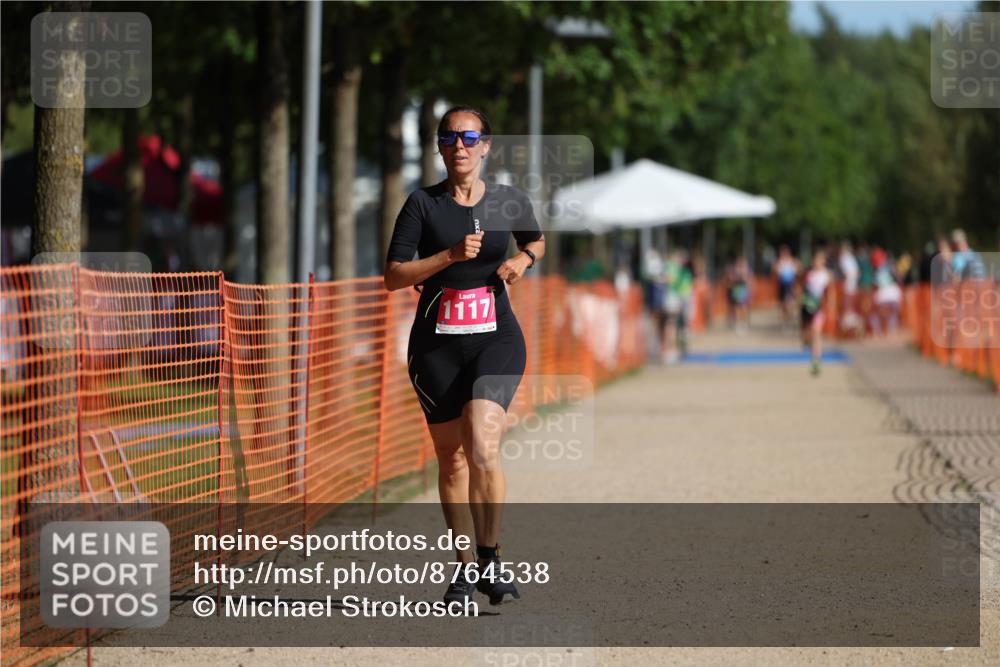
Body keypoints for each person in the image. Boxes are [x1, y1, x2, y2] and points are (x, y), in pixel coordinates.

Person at [383, 105, 545, 606]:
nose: (460, 145)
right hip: (436, 346)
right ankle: (463, 570)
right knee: (451, 461)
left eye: (470, 137)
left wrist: (523, 258)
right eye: (450, 137)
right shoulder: (422, 205)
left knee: (482, 443)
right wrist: (448, 257)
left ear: (486, 146)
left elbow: (535, 238)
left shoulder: (508, 200)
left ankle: (491, 561)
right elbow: (393, 276)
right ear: (439, 146)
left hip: (496, 338)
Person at [799, 248, 832, 376]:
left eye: (820, 260)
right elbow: (802, 288)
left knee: (816, 333)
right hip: (807, 306)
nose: (817, 262)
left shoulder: (826, 275)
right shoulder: (809, 274)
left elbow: (830, 292)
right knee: (808, 334)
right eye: (815, 260)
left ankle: (816, 361)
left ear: (823, 261)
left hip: (819, 308)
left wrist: (828, 304)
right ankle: (806, 341)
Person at [772, 244, 800, 329]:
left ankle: (788, 319)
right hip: (782, 286)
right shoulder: (779, 262)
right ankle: (785, 321)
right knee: (783, 305)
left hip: (790, 286)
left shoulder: (792, 261)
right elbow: (774, 272)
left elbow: (799, 270)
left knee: (790, 304)